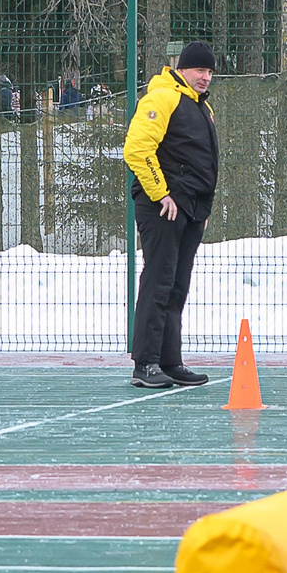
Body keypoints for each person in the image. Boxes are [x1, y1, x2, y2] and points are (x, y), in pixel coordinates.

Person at [122, 39, 219, 388]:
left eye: (209, 71)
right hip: (162, 206)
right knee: (159, 281)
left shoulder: (200, 107)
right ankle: (145, 363)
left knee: (177, 285)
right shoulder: (162, 97)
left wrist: (200, 208)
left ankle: (169, 361)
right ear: (182, 69)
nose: (205, 77)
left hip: (190, 210)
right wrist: (161, 193)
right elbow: (137, 148)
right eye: (199, 70)